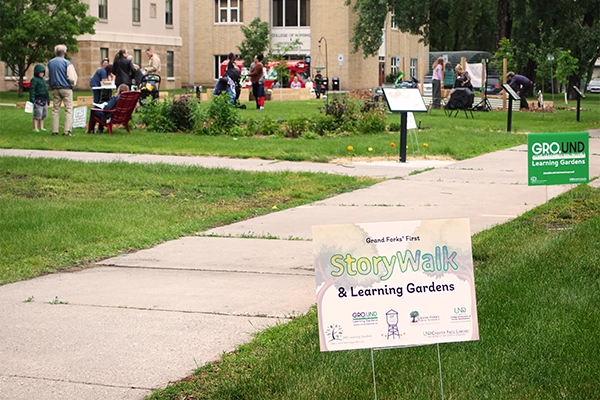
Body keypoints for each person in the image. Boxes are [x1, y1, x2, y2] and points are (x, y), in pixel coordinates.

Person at [47, 44, 77, 136]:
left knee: (55, 109)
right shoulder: (67, 63)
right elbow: (71, 77)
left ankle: (54, 130)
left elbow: (47, 77)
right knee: (68, 109)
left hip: (55, 88)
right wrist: (73, 84)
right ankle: (67, 131)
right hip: (66, 88)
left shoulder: (50, 63)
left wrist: (50, 85)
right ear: (64, 52)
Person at [29, 64, 50, 132]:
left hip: (44, 99)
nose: (42, 74)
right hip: (37, 100)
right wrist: (32, 99)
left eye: (43, 72)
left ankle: (41, 127)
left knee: (43, 115)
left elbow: (46, 91)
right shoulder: (34, 80)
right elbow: (32, 90)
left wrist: (48, 99)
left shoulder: (43, 80)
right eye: (40, 72)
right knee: (37, 114)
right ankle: (35, 128)